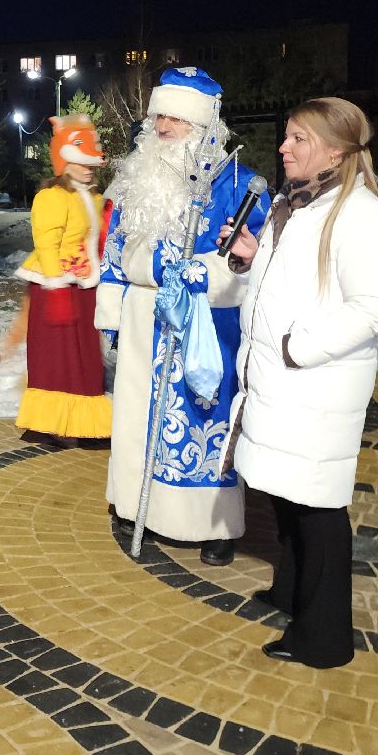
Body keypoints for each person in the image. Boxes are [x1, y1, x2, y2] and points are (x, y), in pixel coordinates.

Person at [224, 97, 378, 669]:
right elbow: (291, 281)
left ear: (337, 151)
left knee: (317, 506)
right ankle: (291, 589)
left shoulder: (360, 214)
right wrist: (251, 257)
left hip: (314, 382)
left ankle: (323, 639)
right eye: (287, 136)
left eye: (299, 138)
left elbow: (372, 308)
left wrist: (297, 349)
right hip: (279, 378)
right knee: (287, 493)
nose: (284, 147)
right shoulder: (294, 203)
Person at [97, 68, 268, 566]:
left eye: (177, 119)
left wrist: (201, 275)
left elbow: (251, 259)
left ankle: (212, 523)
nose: (164, 127)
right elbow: (114, 250)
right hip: (142, 316)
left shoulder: (238, 184)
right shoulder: (134, 179)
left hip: (204, 320)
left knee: (201, 418)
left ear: (203, 126)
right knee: (138, 417)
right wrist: (114, 313)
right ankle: (136, 506)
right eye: (160, 116)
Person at [14, 114, 111, 442]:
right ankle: (45, 425)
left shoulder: (94, 197)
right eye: (82, 163)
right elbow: (46, 242)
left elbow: (96, 240)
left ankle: (86, 425)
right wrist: (55, 286)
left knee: (85, 356)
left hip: (83, 287)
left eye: (91, 164)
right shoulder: (52, 196)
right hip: (54, 287)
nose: (89, 169)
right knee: (55, 358)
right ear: (64, 161)